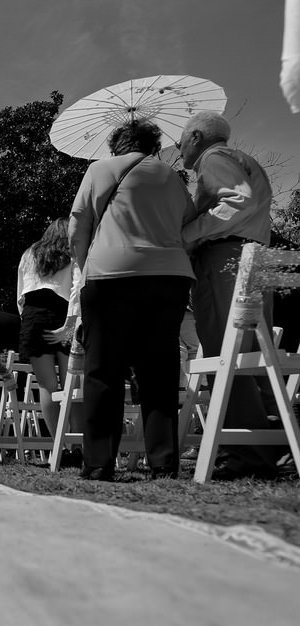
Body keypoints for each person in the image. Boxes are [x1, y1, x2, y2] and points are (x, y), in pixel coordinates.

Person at [68, 119, 195, 482]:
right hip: (170, 276)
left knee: (103, 371)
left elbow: (78, 226)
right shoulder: (172, 177)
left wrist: (84, 266)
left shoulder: (99, 169)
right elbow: (186, 223)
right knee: (160, 370)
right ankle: (164, 463)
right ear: (154, 145)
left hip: (111, 273)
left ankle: (98, 463)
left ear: (115, 145)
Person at [178, 110, 284, 480]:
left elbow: (236, 202)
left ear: (195, 137)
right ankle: (275, 444)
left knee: (228, 354)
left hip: (227, 259)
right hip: (256, 258)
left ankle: (248, 454)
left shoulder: (213, 158)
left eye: (180, 140)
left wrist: (188, 232)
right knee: (255, 356)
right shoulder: (246, 160)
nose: (177, 149)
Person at [17, 218, 79, 439]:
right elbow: (76, 292)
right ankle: (77, 444)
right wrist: (70, 327)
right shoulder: (73, 253)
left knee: (47, 386)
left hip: (33, 315)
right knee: (71, 384)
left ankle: (59, 446)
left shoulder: (28, 254)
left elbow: (20, 297)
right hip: (63, 314)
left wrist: (28, 322)